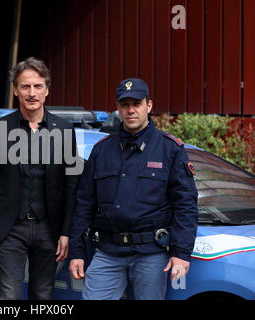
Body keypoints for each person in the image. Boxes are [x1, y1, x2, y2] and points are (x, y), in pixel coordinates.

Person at [68, 78, 198, 300]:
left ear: (149, 106)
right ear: (118, 108)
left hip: (151, 254)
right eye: (125, 104)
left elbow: (185, 204)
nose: (131, 110)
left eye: (136, 104)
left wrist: (181, 253)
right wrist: (77, 252)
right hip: (108, 252)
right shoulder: (102, 151)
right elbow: (84, 205)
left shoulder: (169, 149)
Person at [0, 57, 79, 300]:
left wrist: (67, 232)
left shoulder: (64, 130)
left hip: (49, 229)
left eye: (37, 86)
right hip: (10, 229)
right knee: (8, 297)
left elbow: (72, 186)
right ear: (15, 90)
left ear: (47, 90)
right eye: (25, 86)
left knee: (42, 296)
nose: (31, 93)